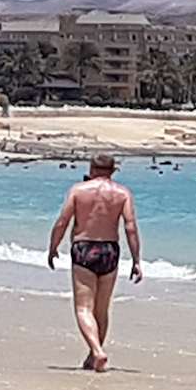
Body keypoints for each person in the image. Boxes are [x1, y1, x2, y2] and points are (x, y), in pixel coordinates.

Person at [45, 154, 141, 373]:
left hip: (84, 248)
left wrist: (53, 247)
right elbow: (130, 227)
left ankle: (97, 352)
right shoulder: (123, 193)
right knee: (102, 309)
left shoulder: (78, 190)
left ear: (91, 168)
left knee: (83, 308)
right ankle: (93, 357)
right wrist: (136, 260)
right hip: (109, 250)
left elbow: (63, 221)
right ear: (113, 171)